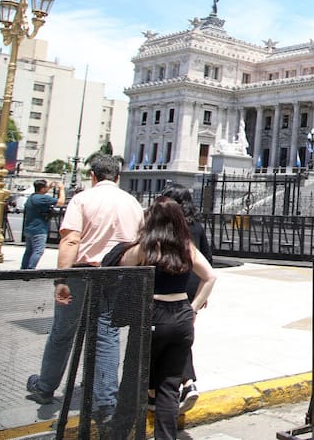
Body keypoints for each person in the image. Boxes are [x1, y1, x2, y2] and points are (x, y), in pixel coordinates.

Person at [26, 156, 143, 424]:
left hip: (82, 272)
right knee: (107, 334)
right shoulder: (132, 203)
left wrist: (62, 278)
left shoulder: (83, 199)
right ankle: (105, 402)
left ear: (92, 176)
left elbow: (70, 240)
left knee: (63, 331)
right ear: (117, 177)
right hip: (117, 274)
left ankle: (45, 387)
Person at [118, 198, 215, 440]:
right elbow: (210, 276)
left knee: (137, 379)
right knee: (169, 387)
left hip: (153, 312)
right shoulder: (185, 246)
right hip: (181, 314)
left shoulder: (145, 247)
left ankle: (126, 432)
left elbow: (122, 271)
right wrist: (193, 308)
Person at [160, 184, 213, 414]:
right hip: (195, 284)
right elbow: (209, 259)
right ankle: (185, 382)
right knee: (183, 333)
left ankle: (182, 382)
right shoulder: (197, 226)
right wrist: (203, 294)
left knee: (174, 337)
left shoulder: (168, 226)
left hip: (174, 284)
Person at [20, 180, 65, 269]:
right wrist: (61, 189)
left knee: (29, 251)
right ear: (42, 189)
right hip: (39, 229)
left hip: (29, 228)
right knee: (38, 251)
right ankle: (31, 269)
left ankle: (23, 269)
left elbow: (42, 191)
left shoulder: (32, 197)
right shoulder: (43, 198)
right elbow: (61, 202)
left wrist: (49, 187)